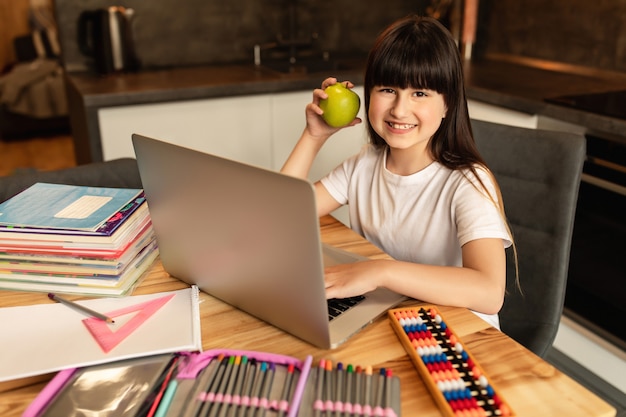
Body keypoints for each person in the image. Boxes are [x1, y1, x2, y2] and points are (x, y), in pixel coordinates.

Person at [280, 15, 512, 329]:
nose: (399, 110)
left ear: (447, 105)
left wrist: (380, 271)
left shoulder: (468, 183)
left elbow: (489, 292)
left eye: (420, 93)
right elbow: (282, 216)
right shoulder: (364, 165)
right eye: (388, 89)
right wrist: (313, 137)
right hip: (393, 318)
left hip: (459, 334)